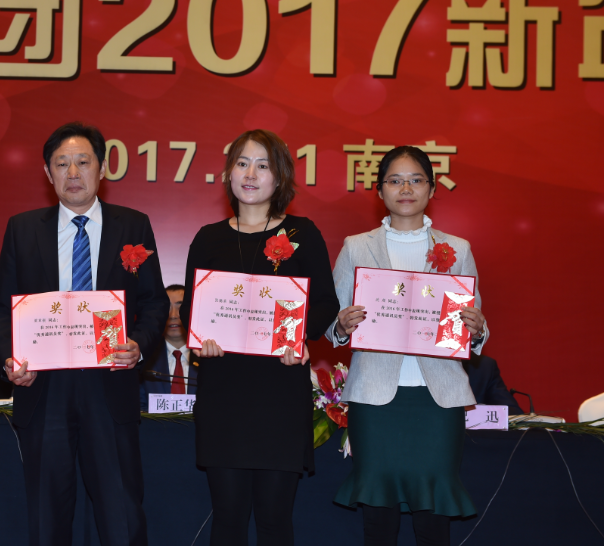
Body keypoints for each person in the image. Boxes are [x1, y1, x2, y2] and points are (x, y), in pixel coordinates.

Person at [0, 122, 169, 546]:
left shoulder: (133, 226)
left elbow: (155, 303)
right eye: (62, 164)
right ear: (47, 173)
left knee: (121, 516)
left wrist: (138, 345)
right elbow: (0, 309)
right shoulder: (22, 228)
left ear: (102, 169)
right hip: (43, 387)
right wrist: (10, 357)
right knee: (47, 519)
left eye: (83, 162)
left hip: (109, 386)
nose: (73, 173)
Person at [178, 129, 340, 546]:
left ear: (279, 177)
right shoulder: (208, 237)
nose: (250, 174)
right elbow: (190, 309)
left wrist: (299, 337)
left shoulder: (303, 233)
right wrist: (201, 337)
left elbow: (325, 303)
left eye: (263, 165)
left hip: (279, 394)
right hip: (224, 394)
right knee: (228, 520)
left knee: (274, 521)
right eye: (242, 163)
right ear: (228, 173)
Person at [326, 146, 489, 546]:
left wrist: (477, 328)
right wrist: (342, 325)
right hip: (376, 397)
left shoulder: (458, 248)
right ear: (380, 190)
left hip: (437, 399)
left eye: (416, 180)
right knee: (378, 517)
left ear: (431, 189)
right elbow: (333, 324)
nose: (405, 189)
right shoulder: (356, 246)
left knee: (433, 516)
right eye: (395, 180)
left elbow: (474, 321)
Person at [139, 284, 198, 409]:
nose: (173, 315)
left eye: (180, 308)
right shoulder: (144, 358)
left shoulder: (207, 357)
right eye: (167, 309)